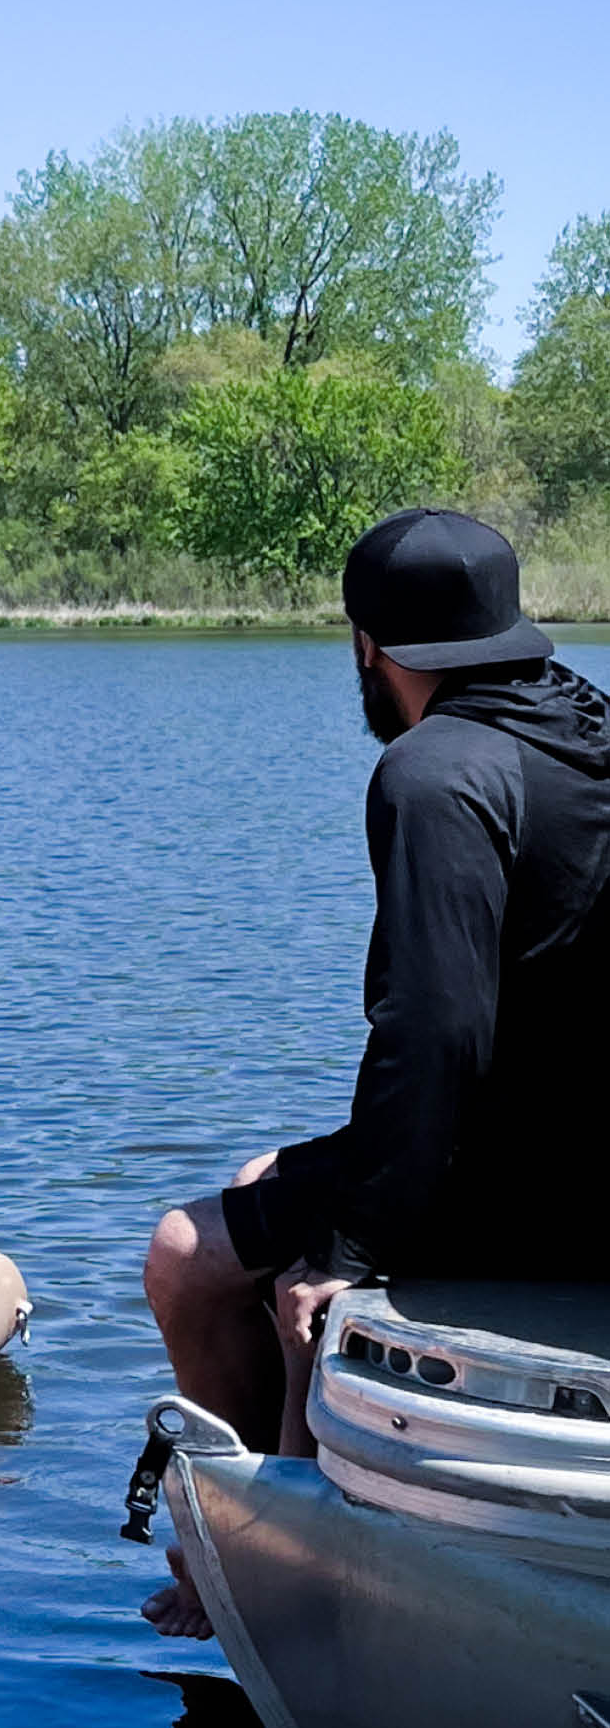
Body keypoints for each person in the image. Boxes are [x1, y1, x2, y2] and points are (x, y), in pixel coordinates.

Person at [144, 509, 610, 1535]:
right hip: (575, 1144)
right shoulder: (583, 728)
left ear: (369, 645)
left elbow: (437, 1030)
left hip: (539, 1186)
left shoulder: (435, 772)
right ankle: (278, 1477)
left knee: (185, 1255)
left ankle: (250, 1549)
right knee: (261, 1178)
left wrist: (350, 1247)